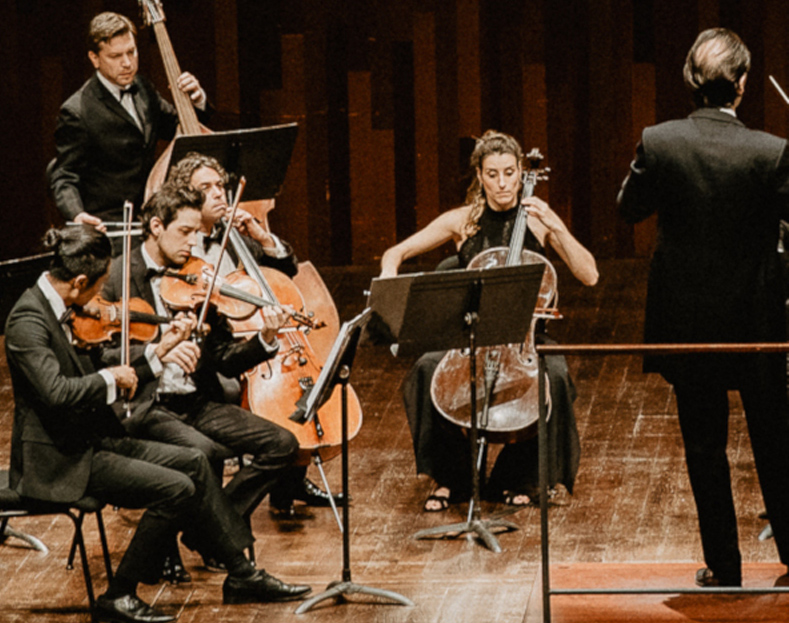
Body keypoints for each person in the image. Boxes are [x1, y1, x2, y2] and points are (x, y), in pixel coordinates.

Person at [4, 225, 310, 623]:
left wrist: (157, 353)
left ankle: (241, 573)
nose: (99, 300)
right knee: (177, 488)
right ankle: (119, 594)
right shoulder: (27, 321)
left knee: (196, 462)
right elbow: (58, 393)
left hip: (94, 438)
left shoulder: (63, 308)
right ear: (79, 281)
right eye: (97, 288)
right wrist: (112, 379)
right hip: (63, 459)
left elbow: (101, 370)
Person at [618, 28, 789, 587]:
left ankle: (725, 567)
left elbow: (629, 209)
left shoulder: (660, 141)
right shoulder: (771, 151)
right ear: (741, 85)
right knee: (776, 443)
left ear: (692, 79)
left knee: (704, 447)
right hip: (758, 322)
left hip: (688, 323)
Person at [380, 130, 598, 512]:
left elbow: (589, 274)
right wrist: (388, 275)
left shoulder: (536, 221)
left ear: (519, 174)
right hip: (472, 337)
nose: (502, 184)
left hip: (526, 339)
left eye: (510, 173)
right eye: (493, 174)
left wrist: (558, 226)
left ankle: (521, 477)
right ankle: (453, 477)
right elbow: (395, 252)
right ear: (480, 176)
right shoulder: (463, 221)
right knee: (424, 372)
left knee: (557, 378)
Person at [100, 182, 309, 578]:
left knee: (282, 445)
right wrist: (157, 350)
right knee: (206, 453)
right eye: (184, 232)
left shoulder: (199, 281)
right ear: (156, 226)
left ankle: (205, 530)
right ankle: (223, 547)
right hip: (146, 405)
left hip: (194, 401)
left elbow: (226, 360)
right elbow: (100, 355)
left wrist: (265, 338)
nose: (193, 243)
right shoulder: (118, 278)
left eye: (198, 233)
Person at [166, 152, 343, 514]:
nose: (219, 194)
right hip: (211, 358)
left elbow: (283, 273)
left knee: (298, 385)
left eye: (221, 186)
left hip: (250, 341)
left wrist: (264, 239)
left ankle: (288, 485)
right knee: (247, 394)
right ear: (185, 197)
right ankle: (225, 514)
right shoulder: (180, 255)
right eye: (206, 188)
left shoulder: (235, 239)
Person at [48, 12, 211, 242]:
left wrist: (196, 100)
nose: (127, 63)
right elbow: (64, 175)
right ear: (94, 58)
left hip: (154, 219)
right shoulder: (77, 111)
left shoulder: (143, 87)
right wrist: (77, 214)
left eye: (131, 52)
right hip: (112, 227)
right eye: (115, 56)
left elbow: (178, 127)